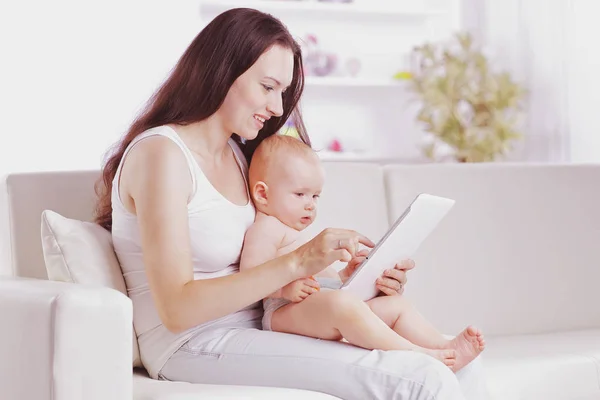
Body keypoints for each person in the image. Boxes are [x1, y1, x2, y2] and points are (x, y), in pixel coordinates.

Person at [95, 7, 490, 400]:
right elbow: (176, 309)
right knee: (424, 377)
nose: (278, 108)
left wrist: (356, 278)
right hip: (190, 342)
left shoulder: (238, 155)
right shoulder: (162, 154)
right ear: (220, 71)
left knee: (466, 370)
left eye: (282, 92)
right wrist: (300, 261)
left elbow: (271, 258)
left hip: (262, 323)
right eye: (268, 87)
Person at [240, 134, 485, 372]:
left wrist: (346, 276)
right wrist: (284, 289)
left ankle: (444, 347)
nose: (310, 204)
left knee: (394, 304)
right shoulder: (266, 228)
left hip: (323, 305)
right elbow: (248, 278)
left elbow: (320, 283)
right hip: (282, 312)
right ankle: (416, 354)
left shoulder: (293, 231)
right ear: (263, 194)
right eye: (300, 194)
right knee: (342, 303)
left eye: (315, 196)